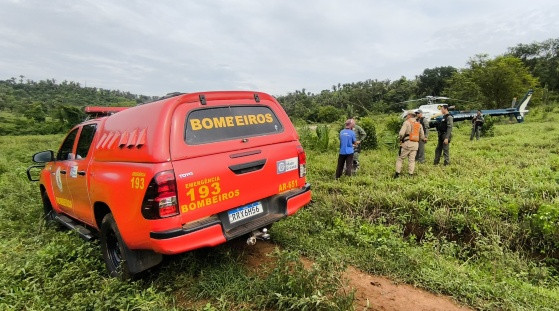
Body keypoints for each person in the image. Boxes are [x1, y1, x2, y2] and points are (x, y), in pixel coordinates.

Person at [394, 111, 425, 178]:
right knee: (412, 160)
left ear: (410, 115)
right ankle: (410, 174)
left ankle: (397, 174)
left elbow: (401, 133)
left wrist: (400, 139)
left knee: (400, 159)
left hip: (407, 144)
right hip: (415, 145)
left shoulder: (406, 123)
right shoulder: (419, 124)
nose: (406, 116)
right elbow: (422, 136)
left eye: (407, 115)